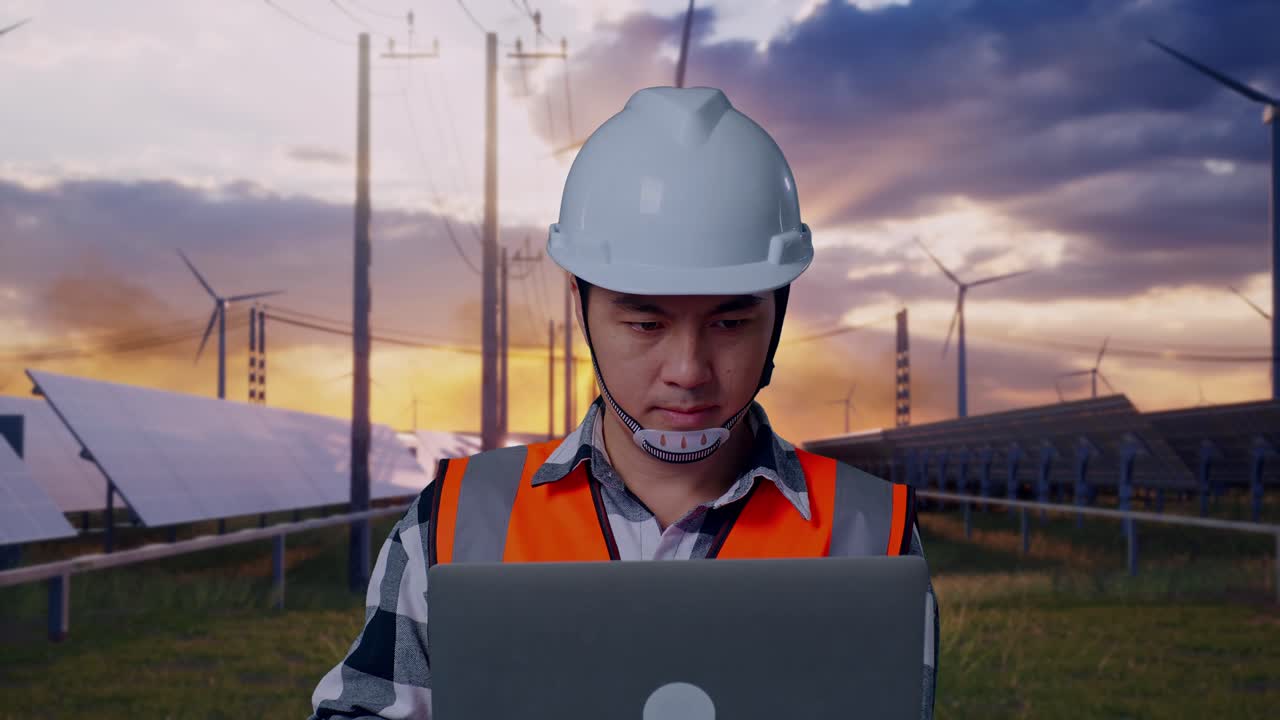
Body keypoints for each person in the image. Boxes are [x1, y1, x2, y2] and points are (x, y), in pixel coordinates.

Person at [309, 85, 939, 720]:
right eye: (646, 324)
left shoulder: (872, 534)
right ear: (582, 308)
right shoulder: (453, 521)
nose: (688, 372)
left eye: (729, 323)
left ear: (777, 315)